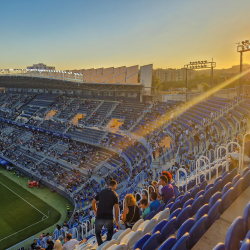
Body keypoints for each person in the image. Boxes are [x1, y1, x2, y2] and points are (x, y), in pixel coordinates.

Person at [92, 180, 120, 246]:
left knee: (98, 233)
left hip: (99, 216)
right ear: (115, 186)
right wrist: (116, 220)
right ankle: (107, 246)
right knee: (110, 232)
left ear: (109, 185)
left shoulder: (102, 192)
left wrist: (95, 211)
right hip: (109, 216)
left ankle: (100, 246)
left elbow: (93, 202)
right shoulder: (115, 194)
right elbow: (116, 209)